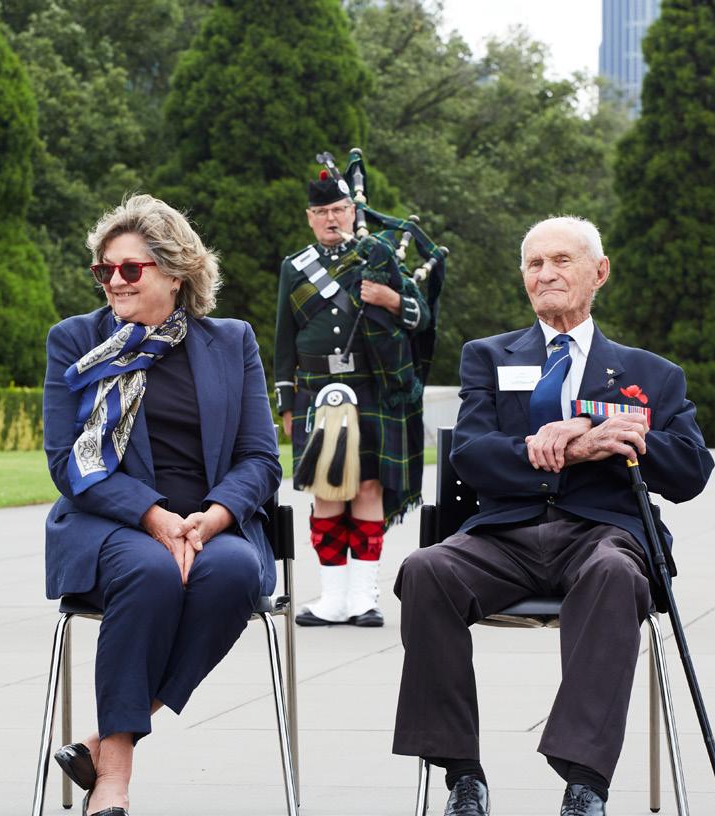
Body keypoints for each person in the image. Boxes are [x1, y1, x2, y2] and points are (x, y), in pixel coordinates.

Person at [392, 216, 714, 816]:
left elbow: (692, 471)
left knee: (616, 573)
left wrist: (608, 428)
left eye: (562, 260)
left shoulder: (650, 374)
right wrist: (574, 450)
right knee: (425, 569)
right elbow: (473, 454)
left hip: (602, 535)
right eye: (534, 264)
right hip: (505, 536)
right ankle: (463, 777)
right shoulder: (488, 357)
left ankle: (585, 784)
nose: (546, 274)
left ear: (599, 272)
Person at [43, 194, 281, 816]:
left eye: (130, 268)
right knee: (149, 572)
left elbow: (260, 459)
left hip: (209, 521)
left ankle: (105, 738)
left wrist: (214, 517)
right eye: (104, 269)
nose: (114, 281)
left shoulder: (232, 342)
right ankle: (114, 777)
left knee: (235, 572)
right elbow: (68, 462)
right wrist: (154, 517)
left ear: (176, 273)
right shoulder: (75, 341)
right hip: (110, 520)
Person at [274, 171, 432, 627]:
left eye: (339, 210)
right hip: (316, 391)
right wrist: (287, 402)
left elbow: (421, 318)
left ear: (352, 212)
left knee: (368, 488)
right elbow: (284, 339)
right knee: (326, 489)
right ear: (310, 217)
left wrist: (389, 299)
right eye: (322, 211)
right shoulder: (295, 266)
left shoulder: (377, 256)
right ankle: (332, 598)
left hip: (371, 389)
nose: (331, 218)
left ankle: (362, 597)